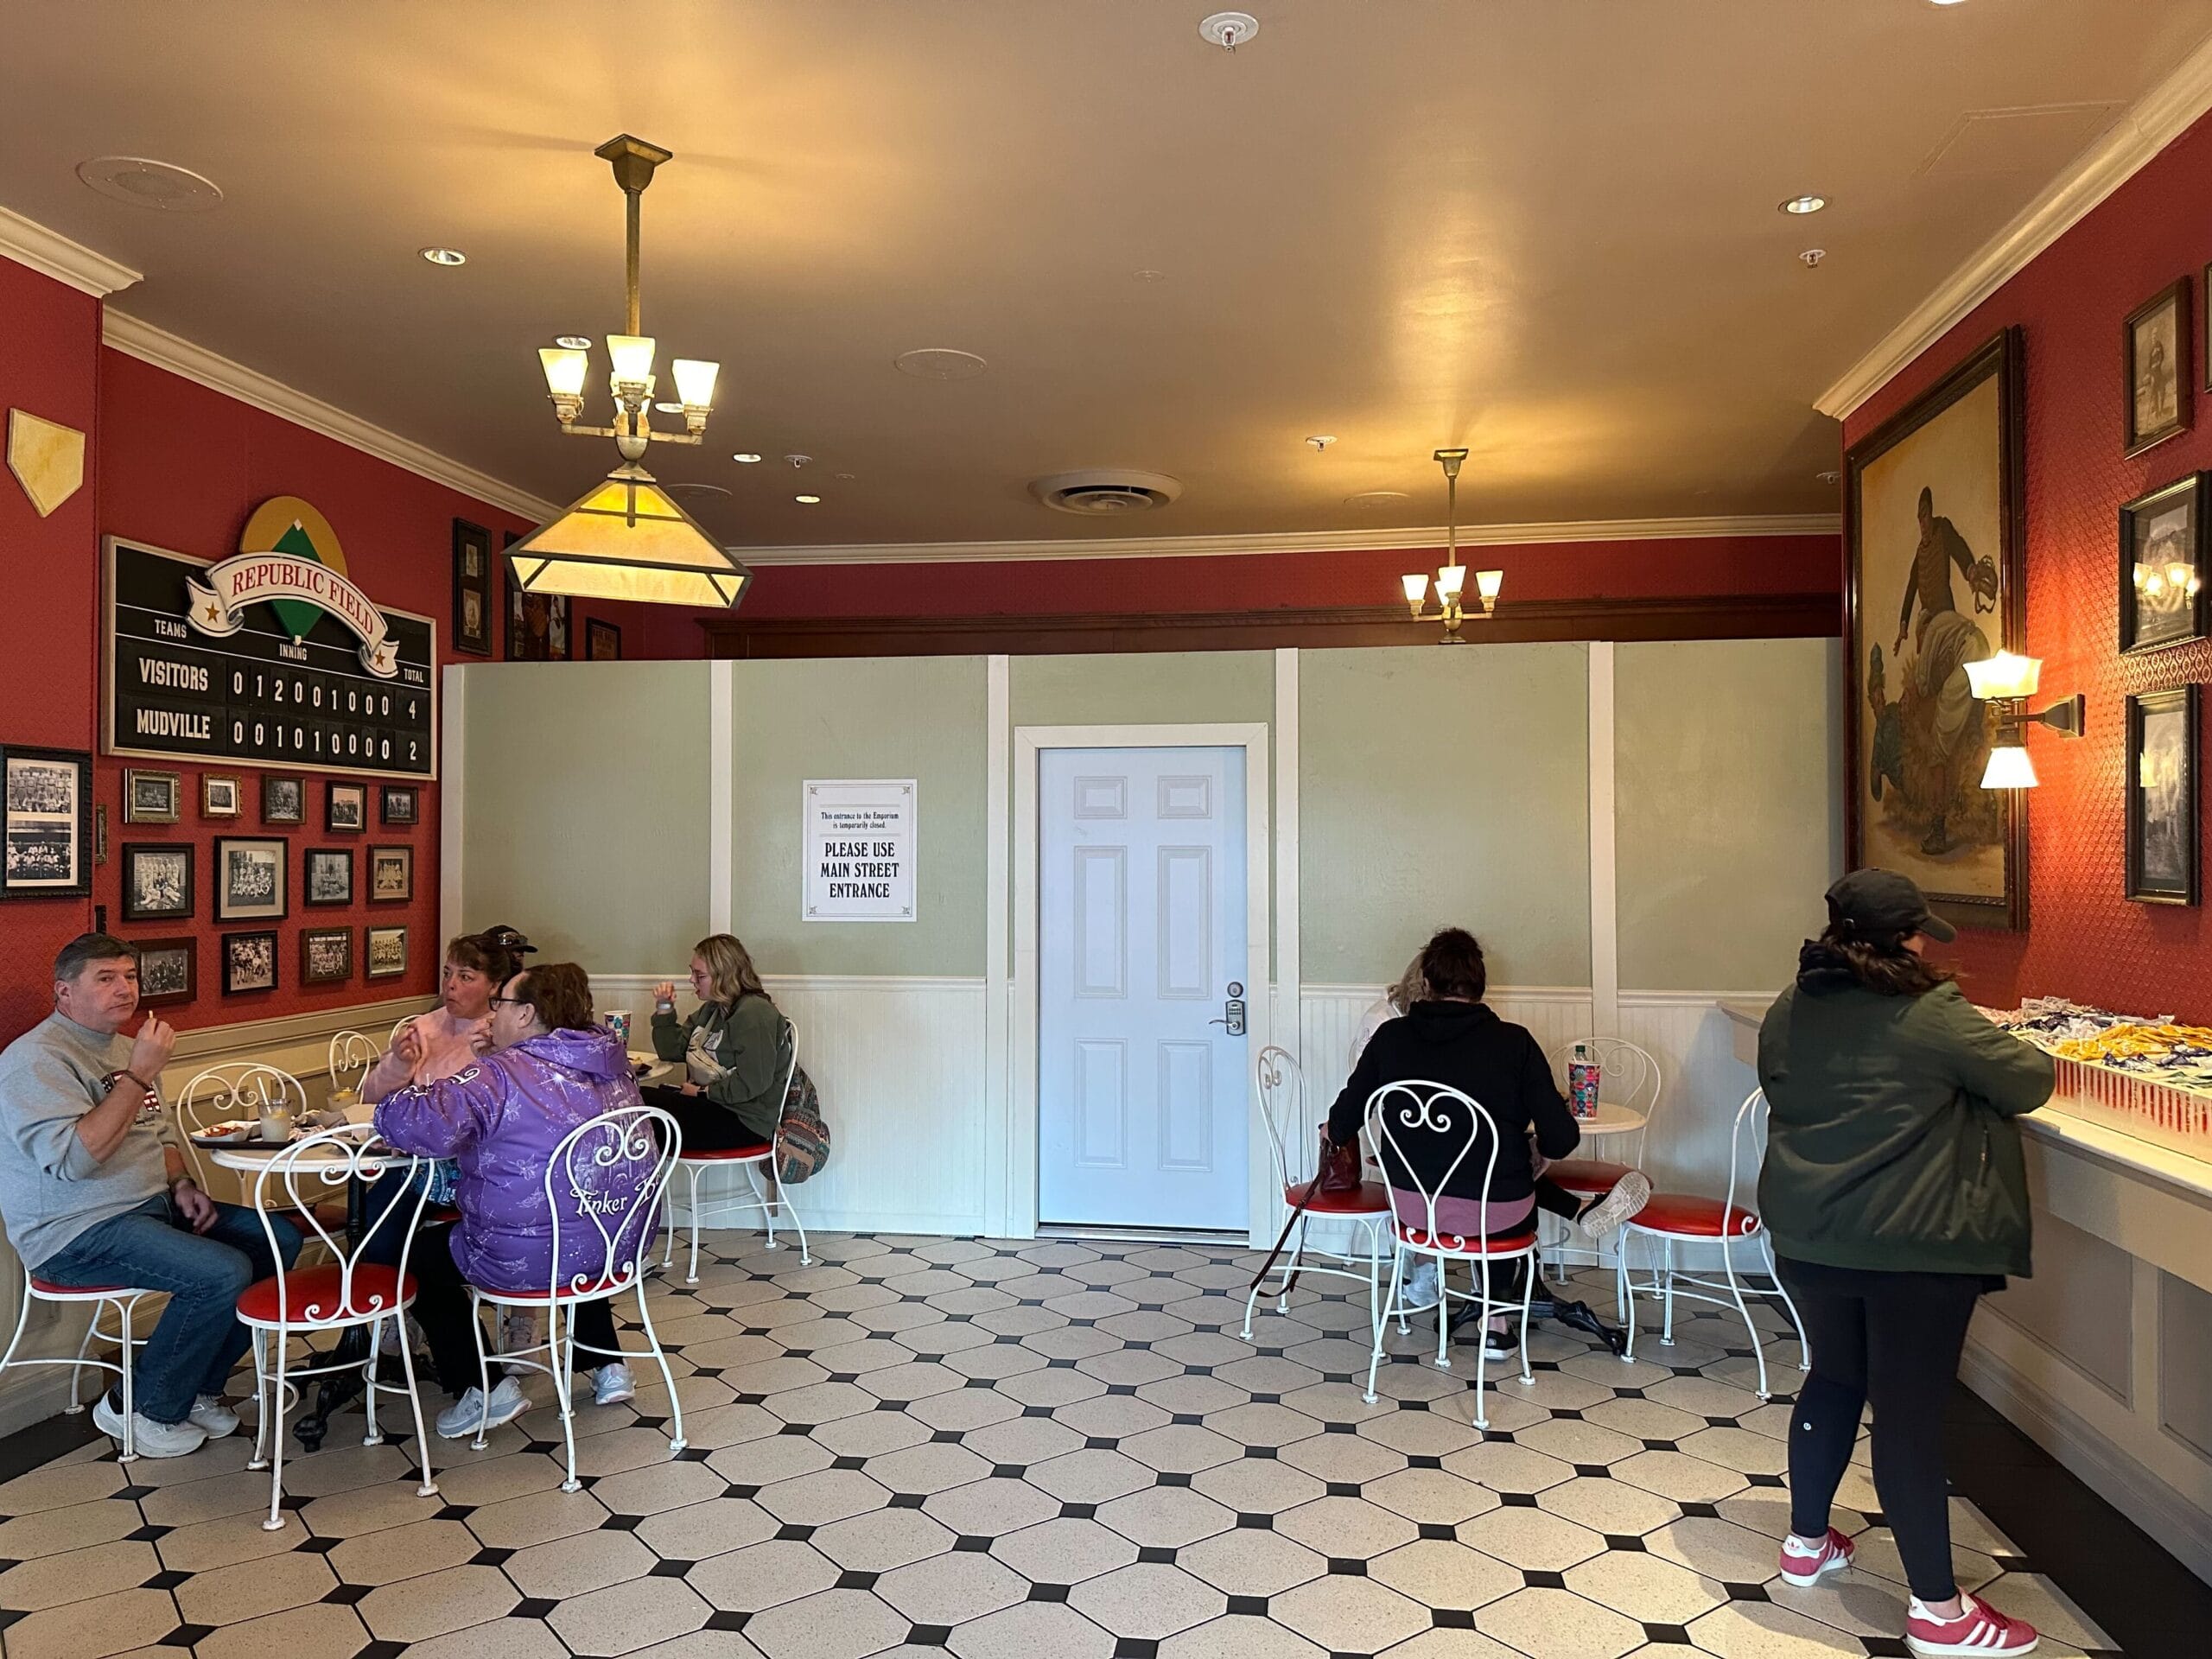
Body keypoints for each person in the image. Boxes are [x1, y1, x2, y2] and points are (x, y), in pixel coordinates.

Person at [1759, 869, 2052, 1658]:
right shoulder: (1931, 1011)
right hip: (1911, 1245)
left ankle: (1806, 1544)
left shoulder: (1791, 1004)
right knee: (1908, 1416)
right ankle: (1939, 1613)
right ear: (1906, 939)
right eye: (1922, 932)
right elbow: (2028, 1080)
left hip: (1809, 1235)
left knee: (1832, 1378)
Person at [0, 935, 300, 1458]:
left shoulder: (124, 1048)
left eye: (130, 977)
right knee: (221, 1272)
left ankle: (198, 1388)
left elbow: (159, 1135)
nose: (124, 989)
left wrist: (182, 1185)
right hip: (75, 1231)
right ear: (64, 992)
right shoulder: (35, 1060)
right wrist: (139, 1074)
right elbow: (74, 1160)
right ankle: (140, 1407)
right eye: (105, 978)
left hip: (151, 1208)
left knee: (276, 1239)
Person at [1327, 930, 1642, 1356]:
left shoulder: (1390, 1038)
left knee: (1498, 1167)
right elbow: (1563, 1137)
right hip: (1496, 1211)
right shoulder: (1515, 1042)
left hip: (1412, 1207)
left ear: (1427, 983)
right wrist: (1542, 1152)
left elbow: (1341, 1123)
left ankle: (1570, 1219)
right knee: (1508, 1170)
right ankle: (1496, 1323)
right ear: (1480, 987)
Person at [373, 962, 651, 1438]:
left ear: (524, 1014)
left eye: (499, 1004)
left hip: (529, 1256)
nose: (492, 1014)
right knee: (571, 1220)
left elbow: (416, 1126)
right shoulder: (611, 1063)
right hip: (618, 1244)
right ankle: (607, 1364)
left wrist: (402, 1089)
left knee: (413, 1257)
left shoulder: (498, 1076)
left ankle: (481, 1387)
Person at [646, 935, 788, 1150]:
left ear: (725, 976)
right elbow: (672, 1050)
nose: (691, 980)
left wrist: (702, 1092)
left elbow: (754, 1082)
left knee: (636, 1105)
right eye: (692, 972)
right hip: (713, 1107)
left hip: (744, 1122)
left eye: (700, 975)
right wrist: (664, 1009)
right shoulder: (713, 1009)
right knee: (634, 1099)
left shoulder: (754, 1012)